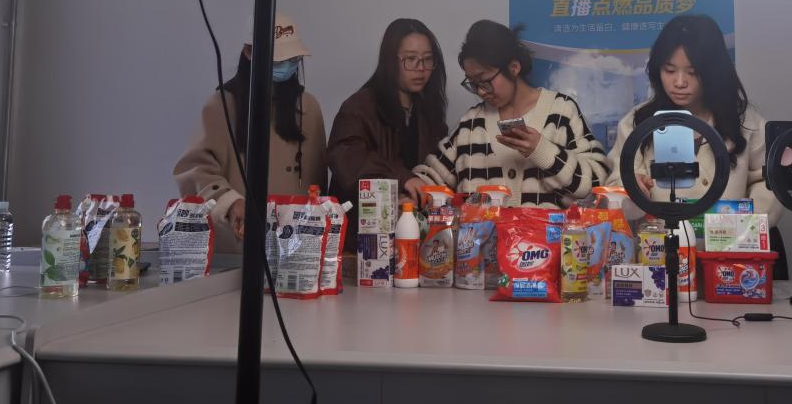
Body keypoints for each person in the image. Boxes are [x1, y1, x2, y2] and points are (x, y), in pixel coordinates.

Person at [174, 13, 327, 253]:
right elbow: (194, 170)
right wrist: (230, 201)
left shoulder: (308, 107)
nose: (287, 66)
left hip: (297, 247)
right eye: (278, 60)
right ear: (249, 52)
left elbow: (318, 182)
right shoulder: (223, 105)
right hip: (239, 247)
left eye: (293, 59)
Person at [606, 14, 781, 224]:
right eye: (669, 70)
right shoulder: (637, 122)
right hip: (657, 242)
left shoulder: (746, 122)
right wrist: (631, 188)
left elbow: (770, 182)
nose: (680, 82)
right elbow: (617, 185)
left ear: (713, 71)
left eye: (693, 72)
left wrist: (746, 227)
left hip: (729, 242)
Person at [412, 20, 609, 205]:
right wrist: (411, 192)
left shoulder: (561, 111)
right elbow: (431, 179)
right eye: (473, 83)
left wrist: (542, 151)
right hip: (481, 232)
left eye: (485, 80)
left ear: (514, 67)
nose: (481, 92)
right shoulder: (471, 124)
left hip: (547, 232)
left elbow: (596, 182)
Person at [327, 19, 448, 250]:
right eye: (410, 59)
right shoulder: (359, 107)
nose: (421, 68)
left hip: (414, 239)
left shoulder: (429, 111)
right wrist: (403, 180)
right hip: (364, 243)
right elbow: (347, 160)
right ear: (390, 61)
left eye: (427, 59)